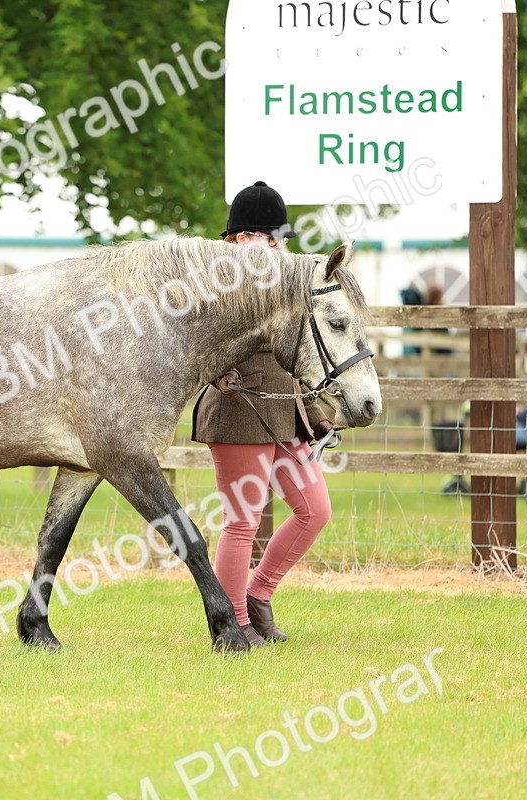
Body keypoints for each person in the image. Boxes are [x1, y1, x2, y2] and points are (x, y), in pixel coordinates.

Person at [191, 181, 335, 649]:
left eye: (279, 238)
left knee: (314, 509)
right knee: (242, 522)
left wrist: (313, 410)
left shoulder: (286, 280)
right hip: (237, 410)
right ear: (241, 238)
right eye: (269, 237)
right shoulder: (214, 281)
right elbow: (197, 345)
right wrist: (218, 376)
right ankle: (232, 621)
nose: (279, 246)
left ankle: (258, 596)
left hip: (284, 413)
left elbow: (297, 352)